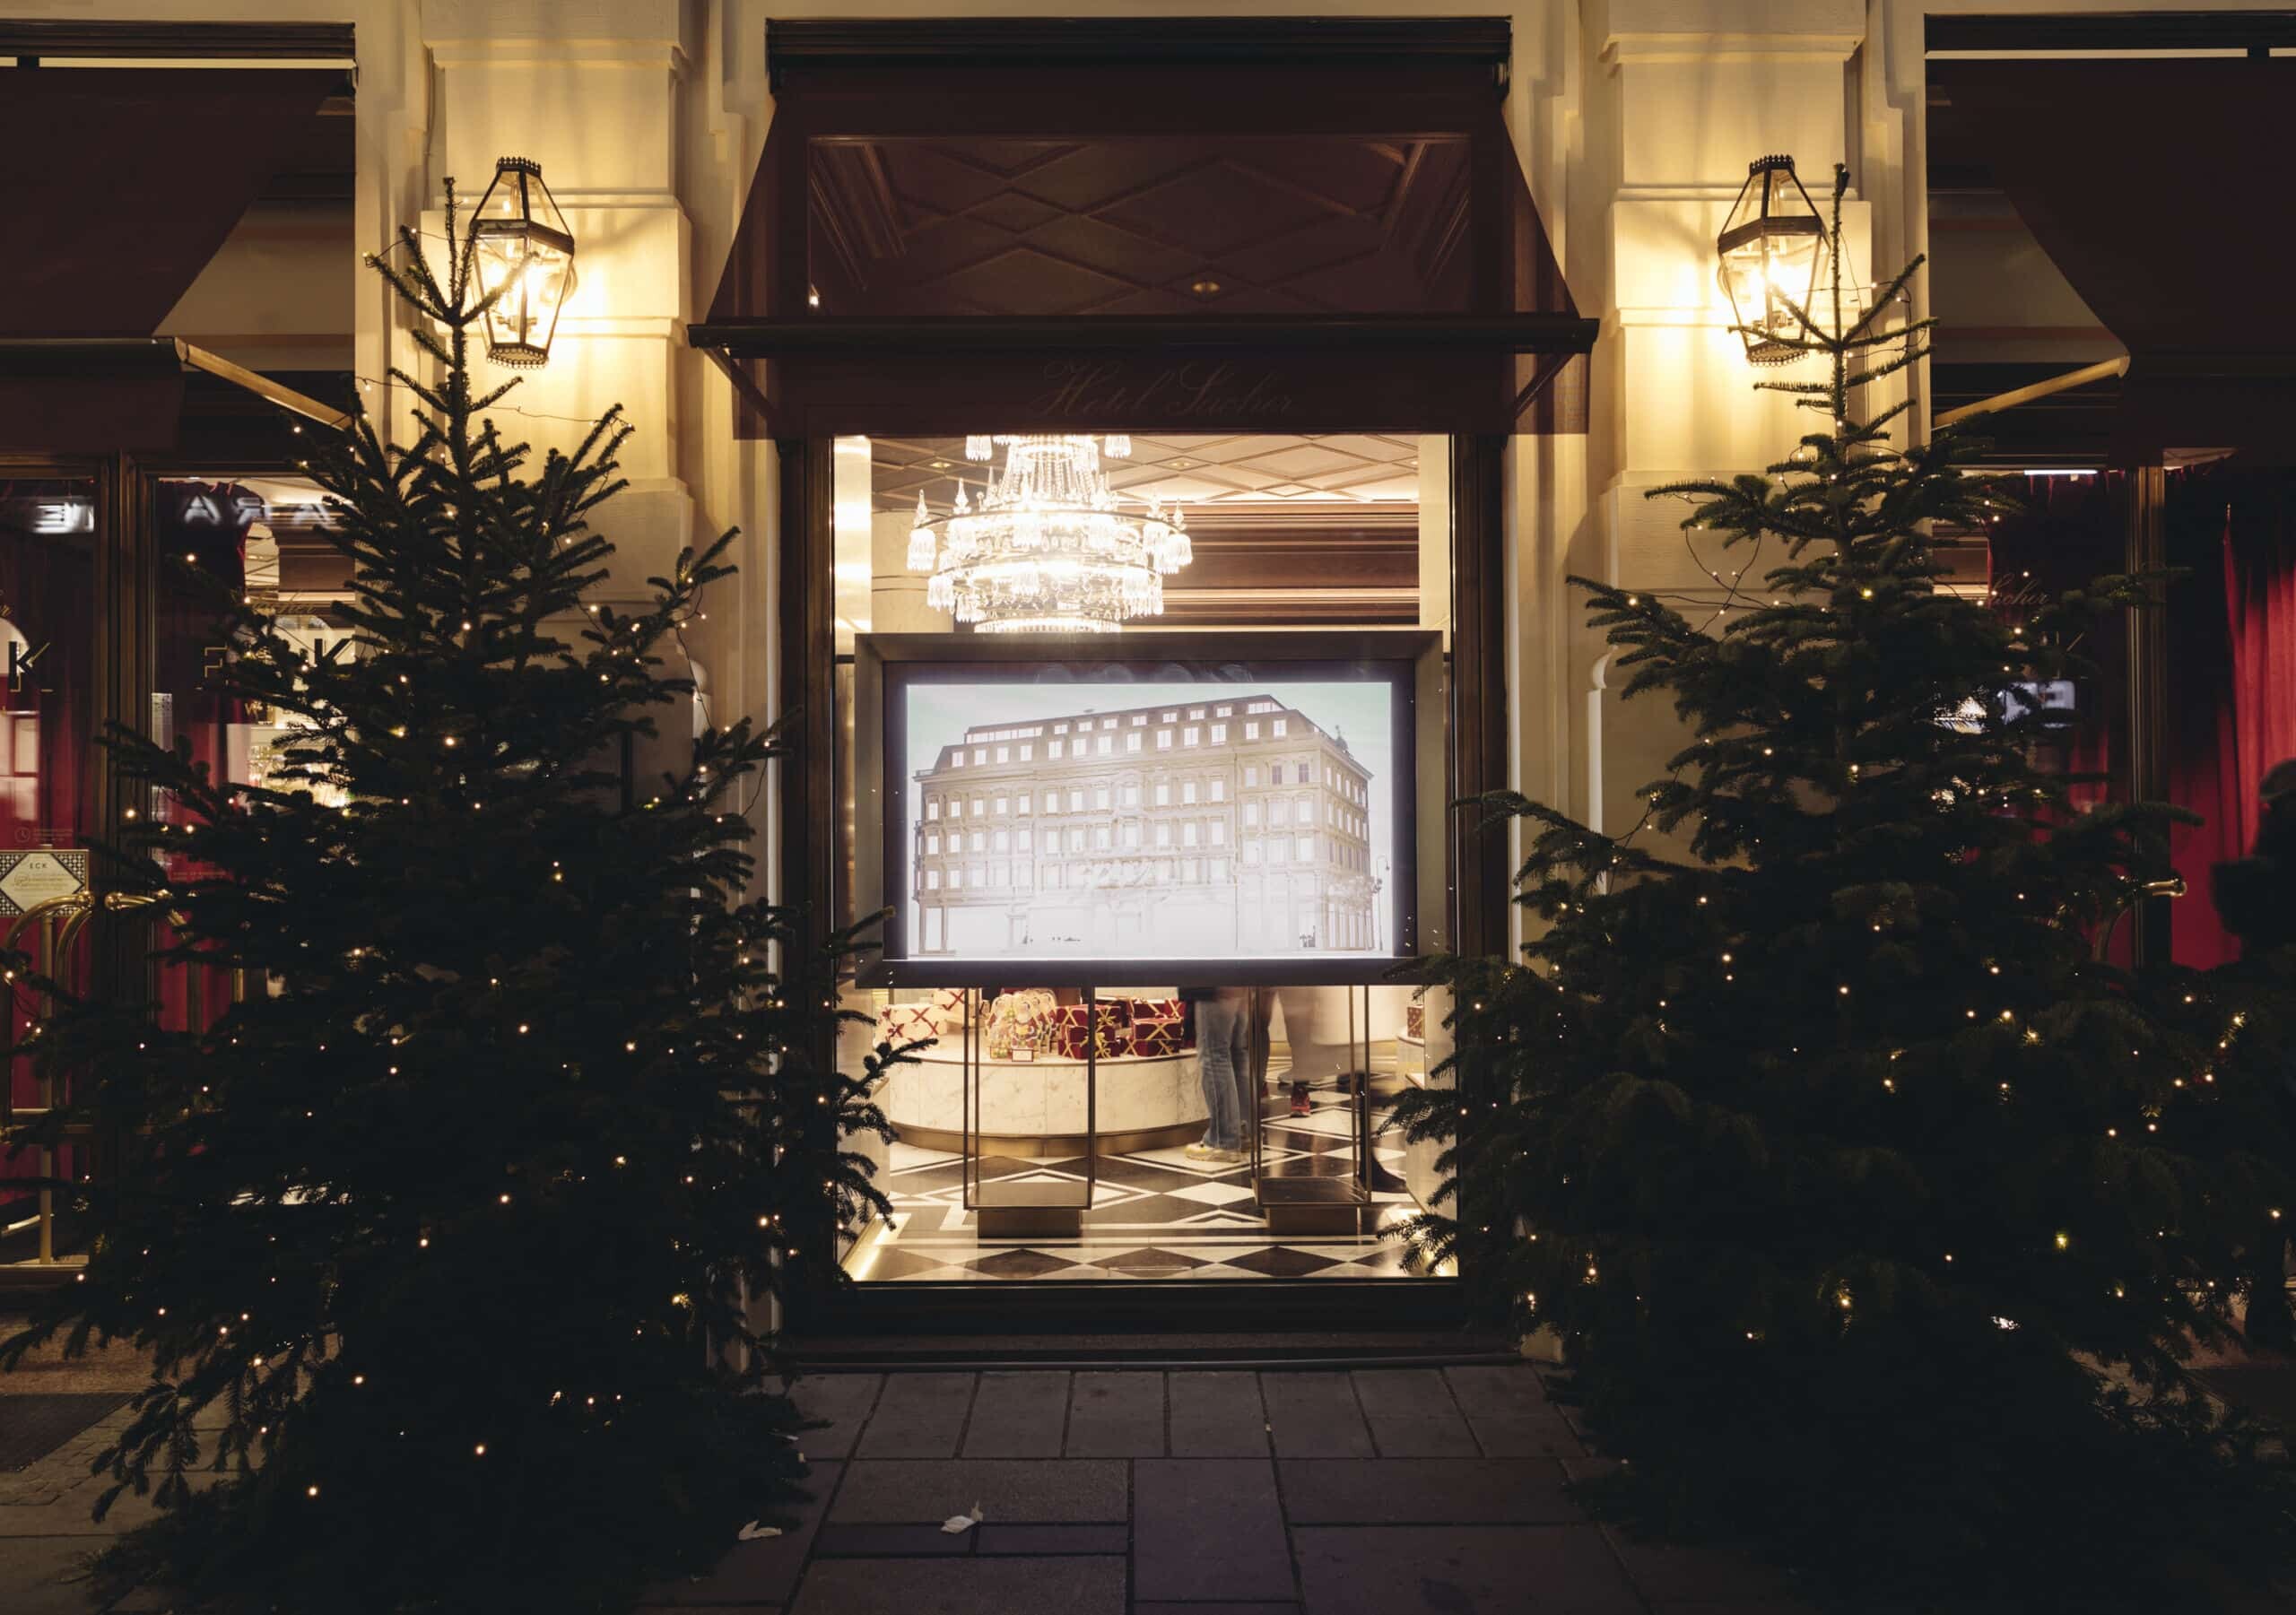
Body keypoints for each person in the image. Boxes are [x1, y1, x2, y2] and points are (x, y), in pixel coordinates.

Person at [1181, 985, 1251, 1163]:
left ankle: (1224, 1140)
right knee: (1237, 1053)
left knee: (1214, 1055)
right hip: (1239, 980)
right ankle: (1241, 1131)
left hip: (1213, 982)